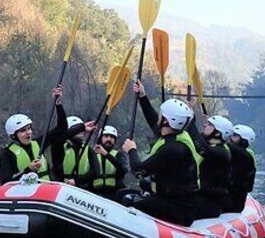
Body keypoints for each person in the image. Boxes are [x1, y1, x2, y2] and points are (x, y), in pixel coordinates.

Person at [119, 80, 201, 227]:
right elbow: (153, 122)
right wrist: (142, 96)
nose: (158, 116)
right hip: (175, 202)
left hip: (179, 210)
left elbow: (138, 171)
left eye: (161, 114)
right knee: (123, 193)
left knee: (128, 199)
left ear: (167, 121)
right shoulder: (178, 136)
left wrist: (131, 150)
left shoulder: (173, 149)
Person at [0, 86, 83, 184]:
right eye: (23, 131)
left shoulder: (39, 143)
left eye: (29, 129)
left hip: (45, 190)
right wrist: (28, 169)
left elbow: (62, 128)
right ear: (13, 136)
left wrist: (58, 104)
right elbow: (6, 182)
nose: (28, 132)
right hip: (24, 194)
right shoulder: (6, 154)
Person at [185, 112, 234, 218]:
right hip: (201, 199)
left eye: (210, 125)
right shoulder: (213, 147)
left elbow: (200, 145)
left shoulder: (220, 152)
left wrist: (190, 120)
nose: (205, 125)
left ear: (217, 133)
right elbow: (199, 140)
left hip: (208, 205)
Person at [51, 115, 98, 188]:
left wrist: (76, 181)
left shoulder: (89, 150)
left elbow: (95, 171)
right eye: (77, 129)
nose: (81, 132)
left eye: (82, 130)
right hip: (63, 187)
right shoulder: (59, 148)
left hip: (82, 189)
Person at [90, 125, 129, 200]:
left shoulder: (119, 155)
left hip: (114, 193)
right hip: (95, 192)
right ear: (100, 138)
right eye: (106, 136)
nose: (109, 139)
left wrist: (106, 154)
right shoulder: (92, 154)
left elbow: (123, 169)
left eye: (112, 137)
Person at [228, 124, 257, 212]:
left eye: (235, 135)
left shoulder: (244, 155)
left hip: (233, 203)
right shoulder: (237, 153)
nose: (230, 137)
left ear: (244, 141)